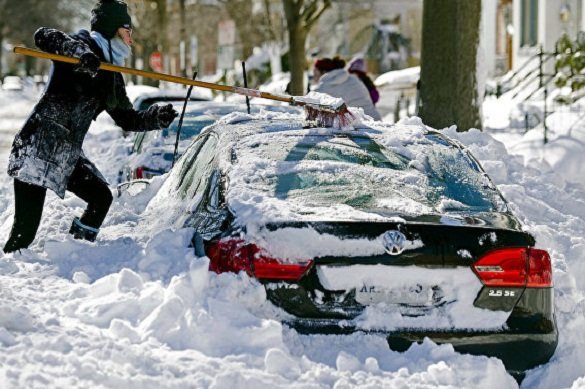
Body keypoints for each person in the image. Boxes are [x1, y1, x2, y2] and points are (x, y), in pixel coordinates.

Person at [3, 0, 178, 253]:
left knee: (101, 198)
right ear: (112, 29)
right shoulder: (80, 44)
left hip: (66, 152)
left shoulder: (112, 76)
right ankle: (10, 268)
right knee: (25, 233)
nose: (131, 40)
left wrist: (155, 117)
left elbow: (126, 119)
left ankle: (79, 249)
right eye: (128, 31)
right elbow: (43, 35)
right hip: (38, 148)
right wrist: (80, 55)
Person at [312, 56, 381, 121]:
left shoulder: (324, 87)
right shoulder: (353, 78)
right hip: (376, 120)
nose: (313, 74)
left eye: (315, 71)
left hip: (364, 125)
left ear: (323, 71)